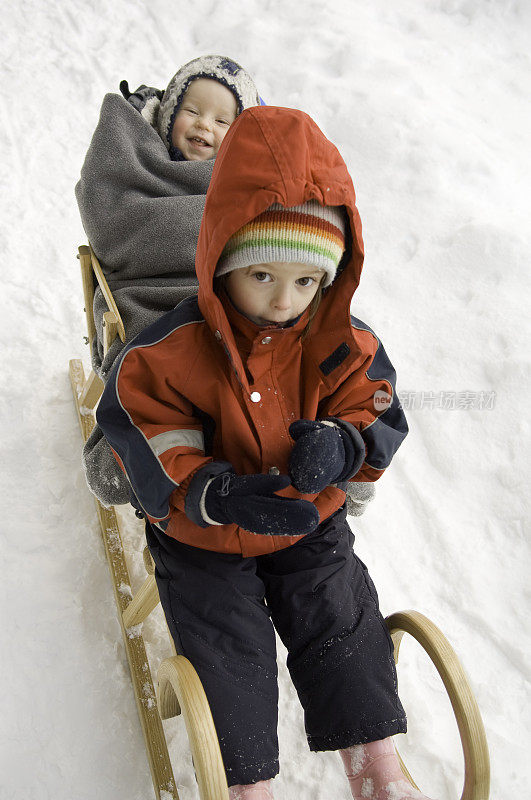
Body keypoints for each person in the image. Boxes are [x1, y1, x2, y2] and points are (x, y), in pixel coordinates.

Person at [97, 105, 432, 800]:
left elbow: (374, 406)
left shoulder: (340, 339)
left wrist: (344, 448)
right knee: (227, 644)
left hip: (303, 519)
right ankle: (246, 782)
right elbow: (143, 425)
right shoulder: (167, 351)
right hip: (203, 536)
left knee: (335, 608)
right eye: (262, 277)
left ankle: (373, 756)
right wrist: (208, 491)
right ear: (220, 262)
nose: (284, 301)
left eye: (306, 282)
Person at [75, 55, 262, 505]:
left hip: (225, 297)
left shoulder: (240, 178)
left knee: (263, 359)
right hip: (151, 295)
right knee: (160, 363)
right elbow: (113, 216)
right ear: (169, 111)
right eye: (192, 110)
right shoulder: (140, 164)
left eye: (222, 119)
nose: (204, 126)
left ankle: (305, 447)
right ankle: (132, 453)